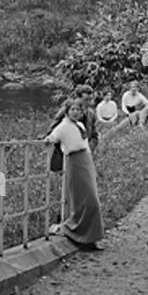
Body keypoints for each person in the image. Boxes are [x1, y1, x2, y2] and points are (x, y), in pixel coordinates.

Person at [45, 98, 105, 249]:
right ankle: (77, 233)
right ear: (66, 111)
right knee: (83, 200)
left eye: (78, 110)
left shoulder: (80, 125)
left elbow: (84, 143)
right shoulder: (63, 126)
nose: (76, 112)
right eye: (73, 109)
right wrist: (48, 140)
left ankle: (90, 238)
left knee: (92, 200)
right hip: (74, 162)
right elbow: (53, 136)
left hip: (86, 161)